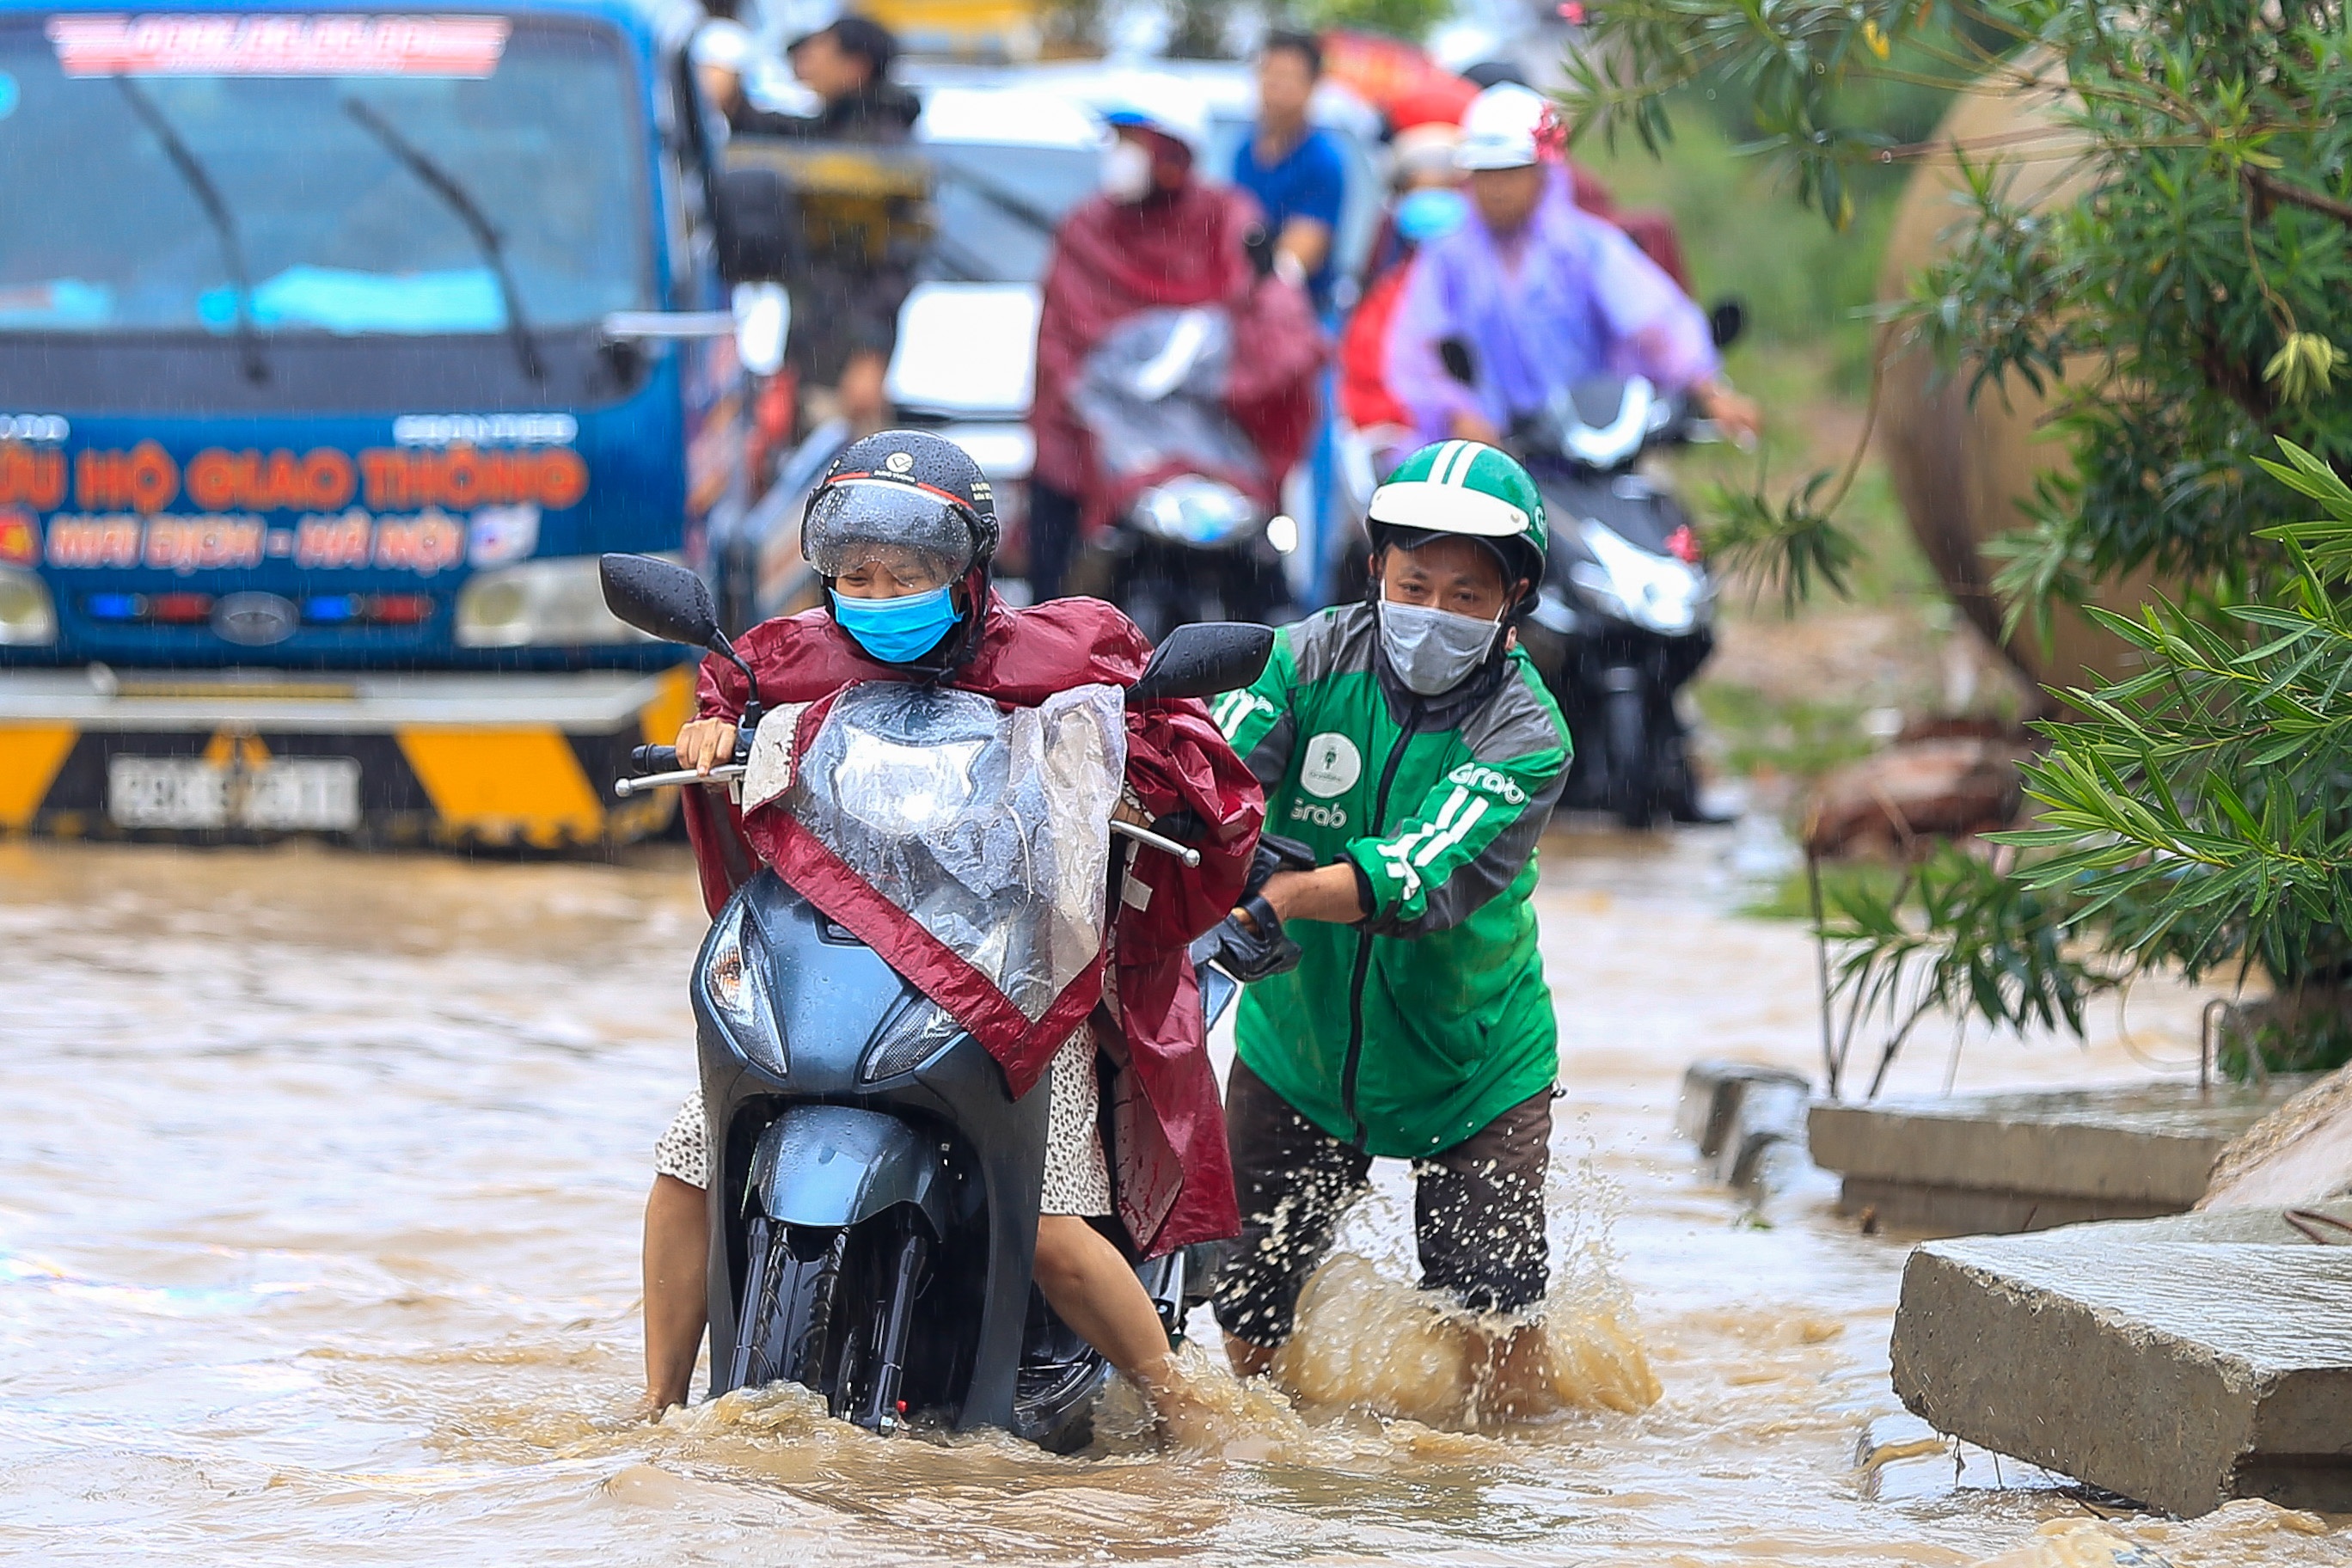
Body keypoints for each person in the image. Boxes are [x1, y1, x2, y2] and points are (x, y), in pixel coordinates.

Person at [639, 431, 1261, 1443]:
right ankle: (659, 1411)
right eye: (856, 573)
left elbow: (1175, 746)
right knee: (682, 1169)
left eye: (910, 573)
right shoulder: (785, 662)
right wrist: (710, 737)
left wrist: (1134, 779)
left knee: (1055, 1229)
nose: (879, 595)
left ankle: (1186, 1407)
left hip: (1011, 976)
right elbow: (724, 712)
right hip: (831, 970)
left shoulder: (1068, 655)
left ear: (967, 573)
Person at [1204, 440, 1571, 1402]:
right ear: (1376, 570)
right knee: (1247, 1314)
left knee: (1491, 1323)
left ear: (1513, 602)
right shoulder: (1304, 657)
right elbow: (1216, 771)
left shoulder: (1526, 734)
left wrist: (1280, 896)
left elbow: (1416, 869)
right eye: (1415, 583)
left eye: (1465, 595)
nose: (1433, 614)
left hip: (1472, 1067)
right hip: (1300, 1049)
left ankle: (1507, 1484)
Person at [1026, 79, 1321, 600]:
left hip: (1216, 436)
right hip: (1106, 436)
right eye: (1115, 142)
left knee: (1267, 582)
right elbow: (1063, 347)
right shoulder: (1086, 229)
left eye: (1131, 142)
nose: (1117, 157)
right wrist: (1103, 398)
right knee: (1054, 561)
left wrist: (1203, 366)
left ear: (1172, 154)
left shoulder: (1226, 218)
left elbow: (1268, 315)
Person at [1387, 84, 1760, 450]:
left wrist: (1709, 390)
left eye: (1511, 172)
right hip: (1497, 455)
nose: (1497, 188)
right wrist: (1459, 413)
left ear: (1542, 171)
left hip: (1594, 450)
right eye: (1486, 174)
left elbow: (1656, 324)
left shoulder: (1586, 248)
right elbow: (1420, 351)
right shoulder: (1446, 259)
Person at [696, 15, 922, 437]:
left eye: (822, 50)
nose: (806, 61)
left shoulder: (882, 153)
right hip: (813, 348)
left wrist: (869, 358)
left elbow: (896, 268)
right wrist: (732, 101)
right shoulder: (837, 129)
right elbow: (778, 135)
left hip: (844, 363)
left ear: (856, 66)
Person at [1230, 30, 1350, 311]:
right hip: (1242, 301)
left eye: (1288, 77)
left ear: (1312, 85)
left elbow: (1294, 262)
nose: (1275, 86)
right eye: (1269, 74)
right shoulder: (1243, 150)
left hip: (1300, 311)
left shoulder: (1323, 161)